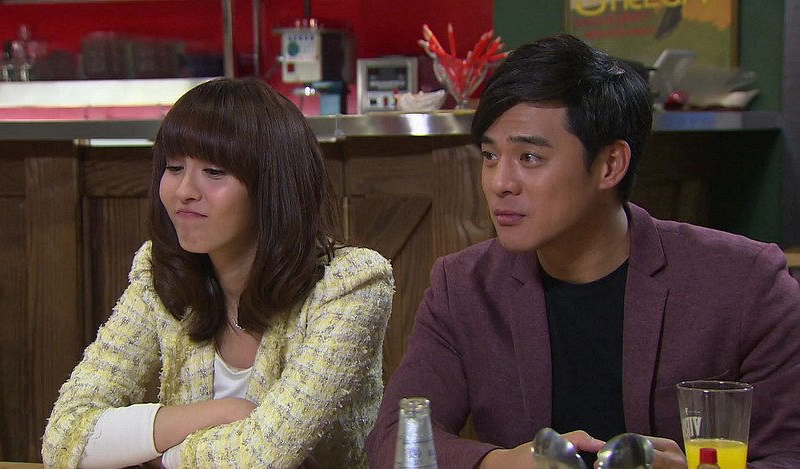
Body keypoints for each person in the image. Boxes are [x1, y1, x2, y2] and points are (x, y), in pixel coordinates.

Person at [366, 34, 800, 468]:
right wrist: (504, 463)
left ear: (610, 165)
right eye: (490, 155)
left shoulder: (745, 282)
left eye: (529, 157)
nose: (500, 182)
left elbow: (788, 454)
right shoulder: (464, 287)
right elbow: (392, 439)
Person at [42, 77, 394, 468]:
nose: (184, 191)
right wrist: (224, 413)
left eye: (213, 171)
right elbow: (65, 437)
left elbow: (262, 456)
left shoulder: (351, 283)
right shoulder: (159, 270)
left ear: (272, 185)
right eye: (174, 167)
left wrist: (156, 457)